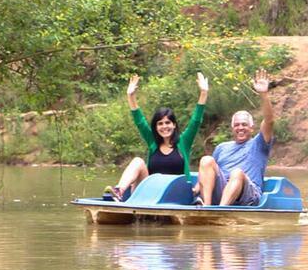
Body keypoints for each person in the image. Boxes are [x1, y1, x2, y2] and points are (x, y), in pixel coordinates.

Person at [104, 71, 208, 201]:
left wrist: (204, 93)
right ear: (156, 127)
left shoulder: (183, 142)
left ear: (174, 125)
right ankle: (119, 190)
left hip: (176, 195)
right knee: (138, 161)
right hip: (152, 194)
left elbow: (196, 121)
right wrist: (130, 96)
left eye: (168, 122)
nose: (164, 126)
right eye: (160, 124)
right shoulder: (153, 142)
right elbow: (140, 121)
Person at [193, 68, 274, 207]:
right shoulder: (221, 148)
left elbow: (269, 120)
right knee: (206, 160)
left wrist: (264, 95)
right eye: (237, 125)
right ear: (232, 128)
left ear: (251, 128)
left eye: (244, 124)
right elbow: (208, 173)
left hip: (248, 194)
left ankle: (222, 210)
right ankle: (206, 206)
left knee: (236, 173)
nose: (240, 128)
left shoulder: (259, 144)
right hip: (223, 190)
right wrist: (195, 188)